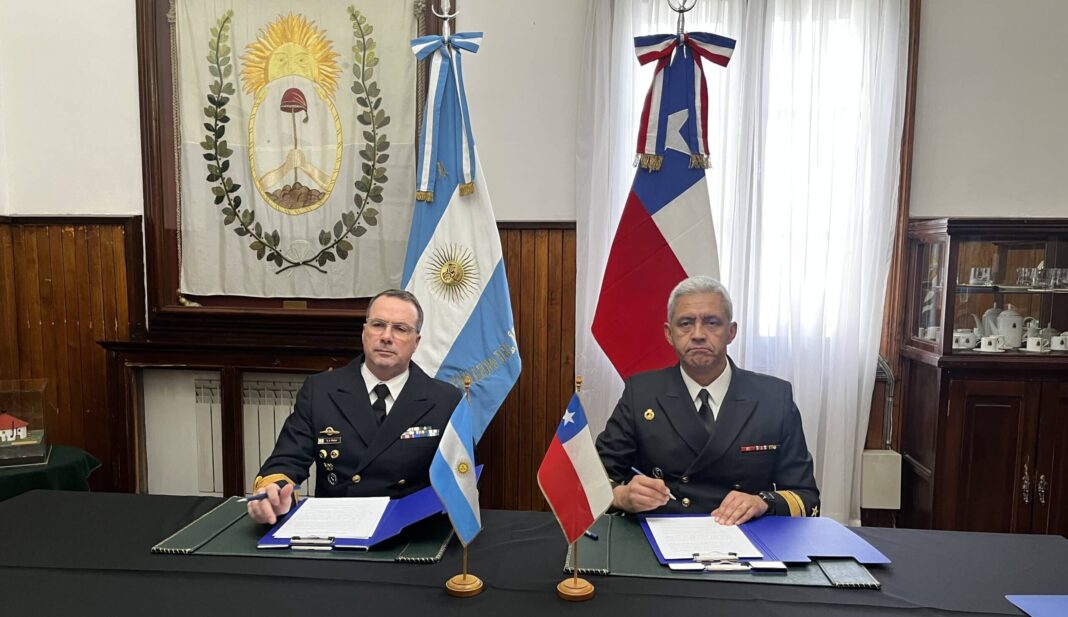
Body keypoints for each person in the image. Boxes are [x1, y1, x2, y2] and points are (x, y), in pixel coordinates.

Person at [596, 276, 819, 525]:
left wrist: (762, 502)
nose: (698, 335)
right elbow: (595, 479)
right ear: (669, 334)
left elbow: (807, 498)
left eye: (712, 323)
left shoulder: (774, 398)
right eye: (686, 323)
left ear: (731, 332)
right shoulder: (642, 393)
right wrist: (621, 496)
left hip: (747, 539)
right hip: (662, 535)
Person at [247, 289, 462, 524]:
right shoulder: (320, 391)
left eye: (400, 329)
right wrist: (273, 490)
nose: (386, 336)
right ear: (364, 333)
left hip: (408, 532)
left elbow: (461, 479)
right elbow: (288, 458)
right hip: (338, 528)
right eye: (378, 325)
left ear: (416, 342)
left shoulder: (445, 400)